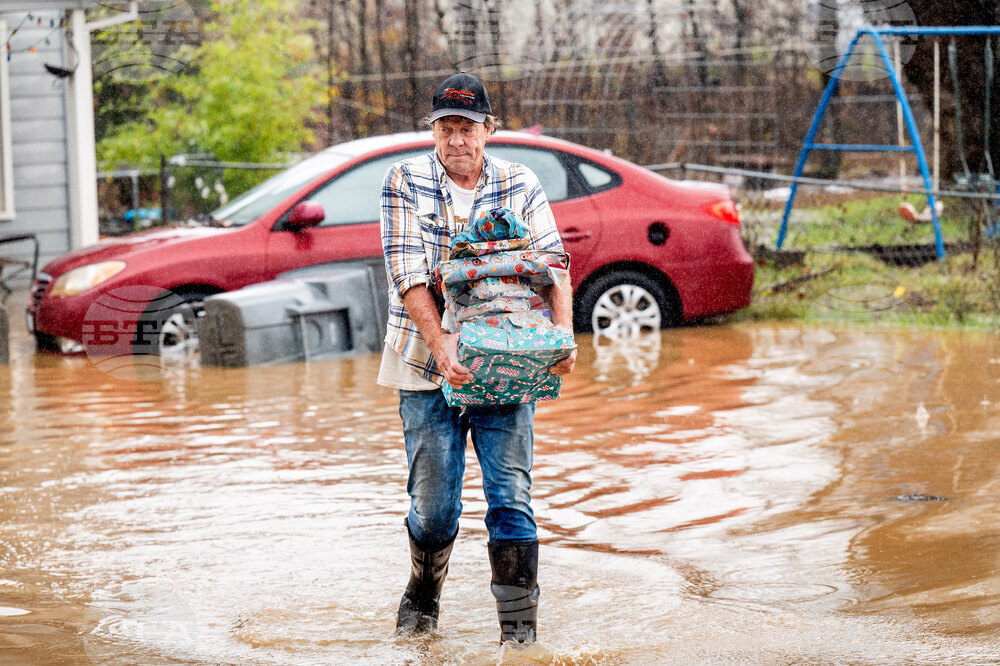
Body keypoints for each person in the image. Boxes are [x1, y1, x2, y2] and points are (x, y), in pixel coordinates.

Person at [378, 71, 577, 644]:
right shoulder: (404, 181)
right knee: (436, 508)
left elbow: (554, 267)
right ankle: (423, 591)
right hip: (423, 359)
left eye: (468, 128)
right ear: (433, 132)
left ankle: (519, 642)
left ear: (489, 130)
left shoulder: (520, 181)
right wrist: (443, 350)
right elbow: (408, 274)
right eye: (445, 128)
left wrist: (562, 338)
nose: (457, 141)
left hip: (507, 364)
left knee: (511, 499)